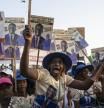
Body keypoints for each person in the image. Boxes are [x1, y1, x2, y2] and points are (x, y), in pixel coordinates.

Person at [20, 25, 104, 107]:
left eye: (60, 62)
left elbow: (85, 85)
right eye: (54, 62)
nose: (57, 64)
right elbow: (25, 71)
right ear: (49, 66)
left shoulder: (64, 78)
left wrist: (100, 67)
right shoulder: (44, 74)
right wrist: (28, 42)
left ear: (64, 67)